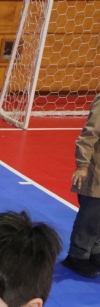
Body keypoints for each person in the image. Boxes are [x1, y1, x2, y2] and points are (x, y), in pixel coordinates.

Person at [62, 93, 100, 278]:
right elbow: (89, 134)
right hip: (97, 168)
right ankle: (78, 255)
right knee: (92, 214)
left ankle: (95, 251)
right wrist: (82, 165)